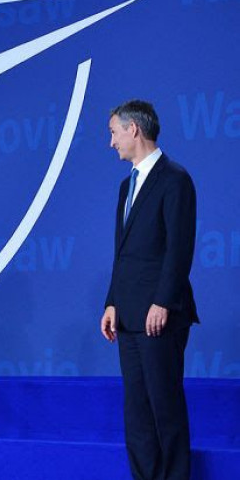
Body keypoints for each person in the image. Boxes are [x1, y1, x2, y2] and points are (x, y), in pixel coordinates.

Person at [101, 100, 199, 480]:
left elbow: (179, 248)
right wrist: (112, 302)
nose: (111, 142)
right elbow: (122, 252)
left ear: (133, 129)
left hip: (160, 315)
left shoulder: (175, 179)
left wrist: (163, 301)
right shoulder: (125, 186)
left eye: (113, 132)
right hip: (127, 316)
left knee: (164, 408)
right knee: (137, 413)